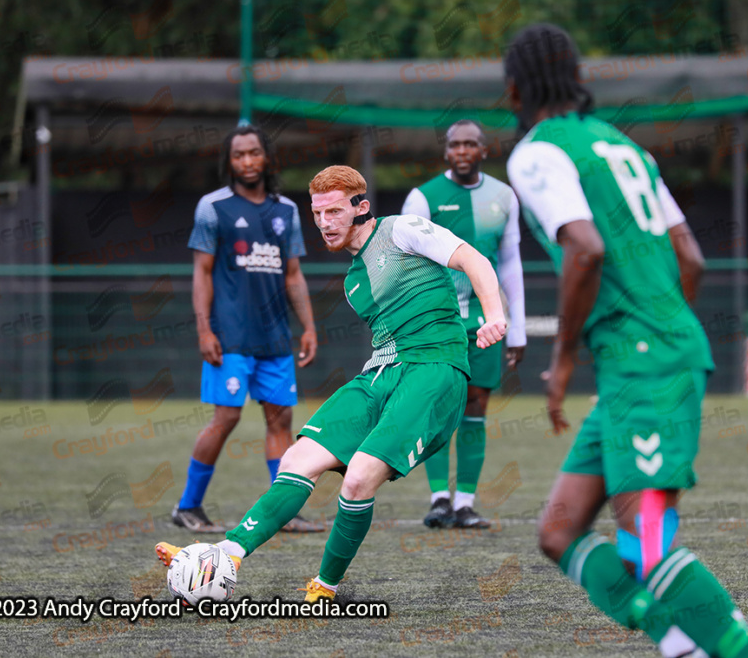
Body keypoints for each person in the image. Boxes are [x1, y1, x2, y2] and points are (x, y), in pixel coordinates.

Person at [504, 24, 748, 658]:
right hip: (648, 357)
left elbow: (586, 248)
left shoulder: (537, 151)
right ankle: (683, 643)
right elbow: (691, 256)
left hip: (643, 360)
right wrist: (662, 325)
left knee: (647, 545)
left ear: (514, 88)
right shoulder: (622, 145)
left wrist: (564, 357)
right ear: (577, 79)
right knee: (559, 530)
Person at [155, 165, 508, 601]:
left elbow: (474, 259)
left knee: (358, 478)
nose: (324, 222)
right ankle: (224, 555)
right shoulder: (353, 281)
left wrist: (495, 315)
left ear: (361, 207)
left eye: (334, 211)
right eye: (317, 213)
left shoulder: (402, 229)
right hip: (380, 372)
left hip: (434, 369)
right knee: (296, 459)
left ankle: (324, 587)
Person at [172, 125, 323, 534]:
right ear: (229, 162)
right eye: (239, 155)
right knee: (226, 418)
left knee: (280, 421)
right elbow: (201, 273)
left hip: (275, 338)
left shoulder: (287, 211)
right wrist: (205, 330)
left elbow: (293, 274)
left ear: (266, 157)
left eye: (254, 153)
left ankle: (281, 513)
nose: (247, 161)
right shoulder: (212, 207)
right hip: (231, 338)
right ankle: (187, 507)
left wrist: (308, 326)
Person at [401, 119, 526, 529]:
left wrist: (515, 327)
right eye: (456, 144)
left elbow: (510, 263)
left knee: (476, 406)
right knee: (438, 405)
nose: (463, 151)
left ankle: (465, 503)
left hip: (484, 324)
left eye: (471, 144)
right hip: (437, 322)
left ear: (484, 151)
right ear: (446, 151)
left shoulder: (504, 196)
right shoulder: (423, 198)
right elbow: (406, 264)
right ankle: (439, 499)